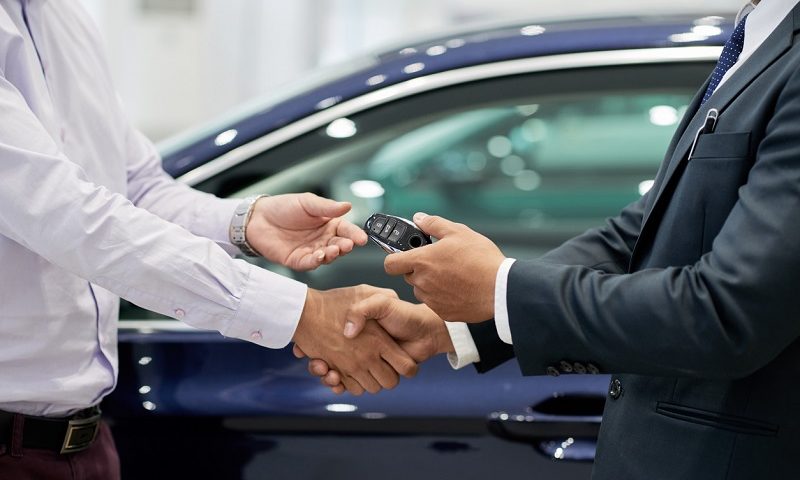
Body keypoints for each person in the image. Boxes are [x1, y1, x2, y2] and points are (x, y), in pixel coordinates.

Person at [302, 0, 800, 477]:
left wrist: (502, 290)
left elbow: (726, 312)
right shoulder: (759, 34)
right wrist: (454, 323)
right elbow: (642, 233)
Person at [0, 1, 416, 479]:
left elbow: (137, 187)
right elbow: (65, 213)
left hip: (86, 443)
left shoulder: (63, 17)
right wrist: (303, 313)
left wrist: (244, 222)